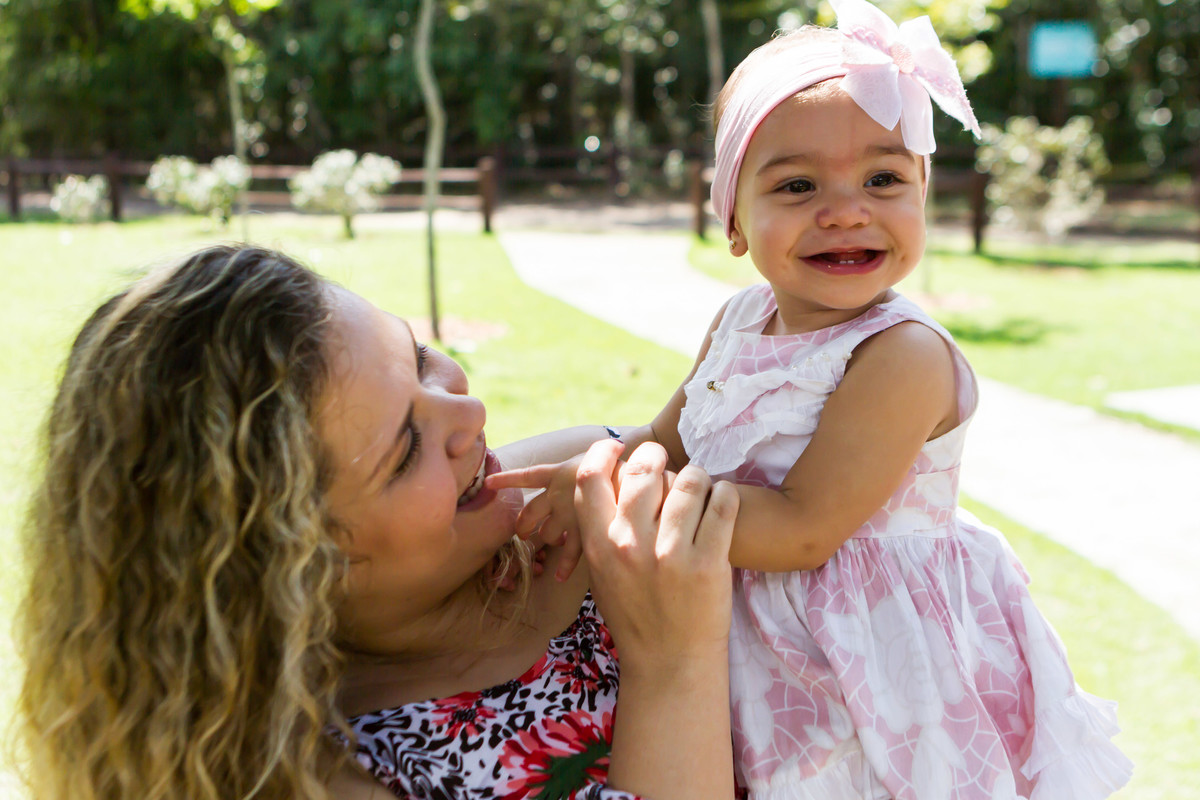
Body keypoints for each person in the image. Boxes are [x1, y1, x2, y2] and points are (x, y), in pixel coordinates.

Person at [488, 1, 1134, 797]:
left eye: (883, 179)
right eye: (797, 185)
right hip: (746, 636)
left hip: (864, 663)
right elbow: (668, 440)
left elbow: (801, 528)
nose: (845, 209)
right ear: (733, 221)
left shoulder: (902, 354)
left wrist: (616, 500)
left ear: (922, 196)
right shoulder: (738, 320)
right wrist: (591, 462)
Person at [14, 243, 741, 800]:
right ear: (292, 566)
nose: (471, 413)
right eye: (404, 452)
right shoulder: (339, 777)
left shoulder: (570, 494)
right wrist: (673, 663)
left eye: (418, 357)